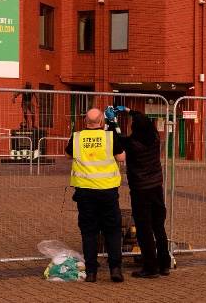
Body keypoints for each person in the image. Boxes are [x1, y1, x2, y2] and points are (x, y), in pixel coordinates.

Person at [65, 108, 126, 283]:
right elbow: (121, 157)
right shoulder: (109, 136)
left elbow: (68, 154)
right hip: (107, 192)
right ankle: (115, 269)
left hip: (85, 192)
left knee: (89, 232)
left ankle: (91, 272)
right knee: (113, 231)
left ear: (86, 121)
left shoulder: (77, 137)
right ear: (101, 122)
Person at [118, 107, 171, 278]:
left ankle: (150, 267)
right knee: (159, 227)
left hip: (141, 189)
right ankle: (164, 264)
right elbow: (144, 119)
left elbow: (117, 140)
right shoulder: (155, 137)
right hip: (156, 188)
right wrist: (129, 110)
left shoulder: (133, 144)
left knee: (144, 229)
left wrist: (112, 121)